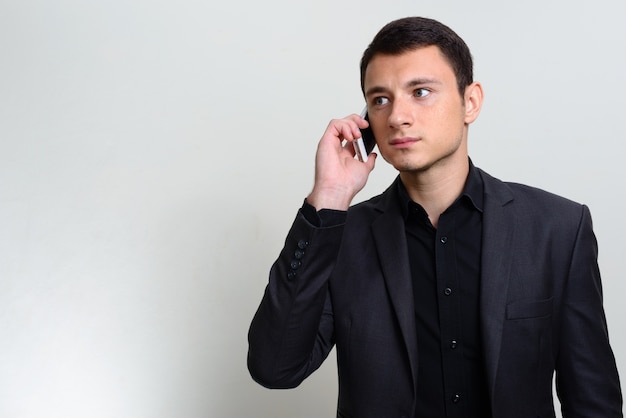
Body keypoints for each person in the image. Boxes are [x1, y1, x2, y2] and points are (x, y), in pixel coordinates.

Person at [247, 16, 623, 417]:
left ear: (470, 102)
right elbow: (275, 369)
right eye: (380, 99)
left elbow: (592, 400)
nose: (397, 117)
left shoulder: (557, 229)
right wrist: (328, 197)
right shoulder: (342, 236)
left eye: (420, 92)